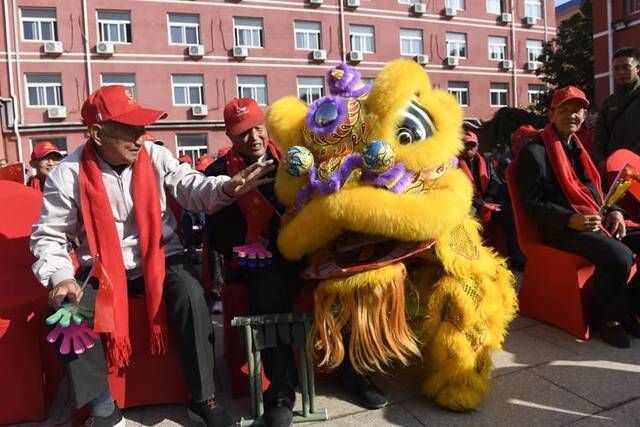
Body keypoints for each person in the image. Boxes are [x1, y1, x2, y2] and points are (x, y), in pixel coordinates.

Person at [30, 85, 274, 427]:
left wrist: (225, 187)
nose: (141, 137)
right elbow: (49, 236)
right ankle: (102, 407)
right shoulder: (67, 174)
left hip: (160, 258)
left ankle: (203, 398)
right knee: (68, 314)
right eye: (130, 130)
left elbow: (190, 185)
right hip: (101, 268)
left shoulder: (155, 157)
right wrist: (62, 278)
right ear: (98, 133)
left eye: (142, 128)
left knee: (191, 296)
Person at [205, 98, 388, 426]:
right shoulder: (218, 174)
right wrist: (247, 241)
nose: (254, 138)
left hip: (307, 251)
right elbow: (215, 232)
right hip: (260, 263)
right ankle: (281, 392)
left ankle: (355, 371)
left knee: (348, 281)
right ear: (230, 137)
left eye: (257, 128)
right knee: (267, 290)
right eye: (243, 133)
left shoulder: (293, 159)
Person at [516, 85, 640, 348]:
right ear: (551, 114)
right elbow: (532, 205)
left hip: (592, 219)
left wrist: (615, 211)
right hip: (559, 229)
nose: (572, 115)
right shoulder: (534, 152)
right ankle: (610, 320)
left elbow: (596, 190)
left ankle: (631, 308)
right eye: (565, 110)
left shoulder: (580, 150)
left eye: (578, 110)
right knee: (619, 256)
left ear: (585, 117)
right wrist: (569, 220)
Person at [593, 47, 640, 167]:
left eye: (626, 67)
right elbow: (600, 138)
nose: (621, 72)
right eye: (616, 69)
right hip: (614, 168)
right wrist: (600, 161)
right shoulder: (607, 103)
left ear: (637, 68)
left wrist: (631, 158)